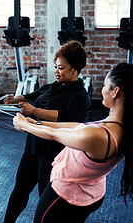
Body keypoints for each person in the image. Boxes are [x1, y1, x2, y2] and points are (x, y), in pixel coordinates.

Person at [12, 62, 133, 222]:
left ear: (115, 91)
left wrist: (25, 125)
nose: (102, 90)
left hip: (66, 196)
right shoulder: (121, 125)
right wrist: (38, 123)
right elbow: (78, 126)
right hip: (90, 192)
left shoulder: (100, 136)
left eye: (105, 85)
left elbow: (54, 134)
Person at [3, 40, 91, 222]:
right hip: (34, 146)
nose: (56, 71)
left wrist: (34, 112)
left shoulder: (80, 96)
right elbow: (33, 96)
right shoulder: (52, 87)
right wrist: (14, 99)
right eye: (55, 67)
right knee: (19, 190)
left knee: (46, 198)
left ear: (74, 70)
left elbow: (69, 118)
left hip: (53, 154)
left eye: (61, 68)